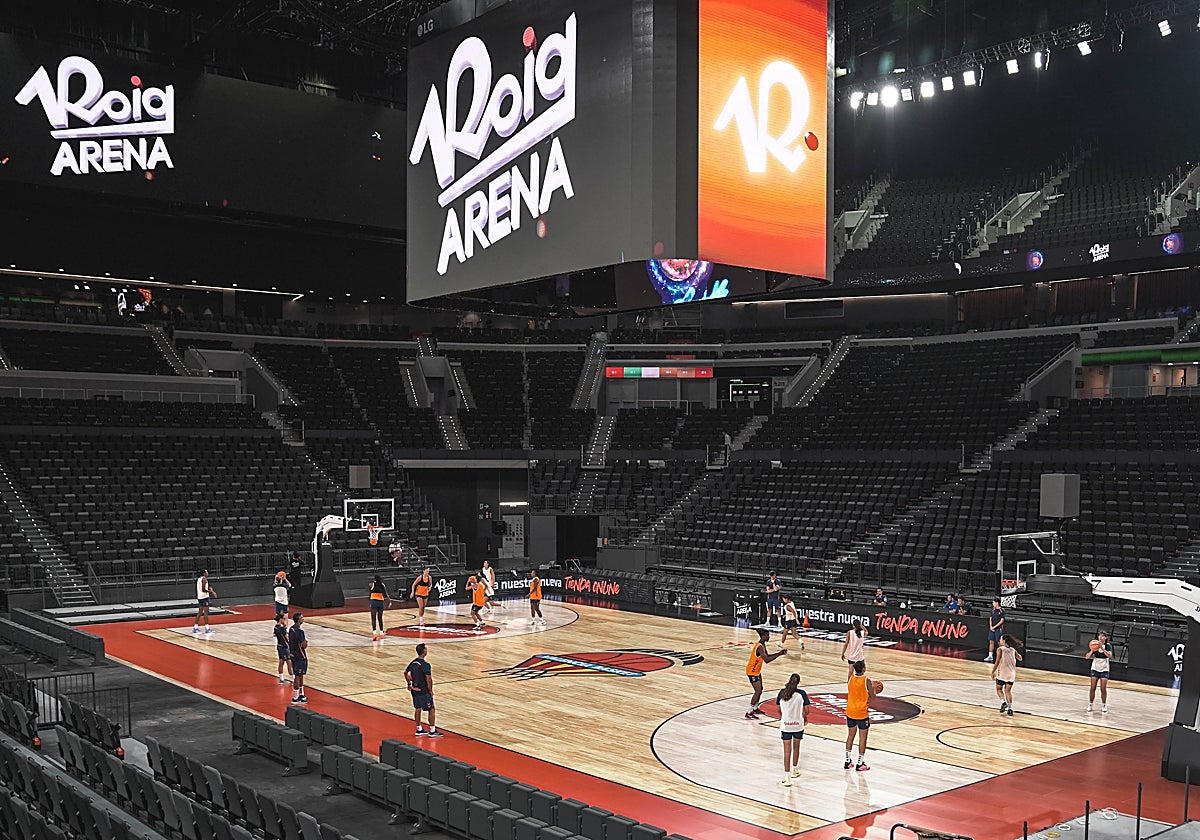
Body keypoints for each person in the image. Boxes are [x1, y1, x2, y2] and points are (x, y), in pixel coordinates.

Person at [776, 673, 811, 786]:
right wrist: (804, 718)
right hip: (798, 725)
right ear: (798, 682)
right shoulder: (802, 694)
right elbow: (807, 710)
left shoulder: (782, 693)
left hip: (786, 725)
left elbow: (778, 709)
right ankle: (794, 770)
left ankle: (786, 777)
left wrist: (784, 716)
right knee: (796, 748)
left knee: (787, 752)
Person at [745, 628, 788, 719]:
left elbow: (767, 656)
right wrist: (779, 654)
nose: (769, 637)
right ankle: (749, 712)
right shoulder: (760, 647)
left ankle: (755, 708)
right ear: (763, 636)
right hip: (752, 671)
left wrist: (779, 653)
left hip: (756, 671)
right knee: (757, 691)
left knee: (760, 689)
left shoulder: (762, 645)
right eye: (767, 635)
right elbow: (767, 660)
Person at [844, 660, 877, 771]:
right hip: (861, 713)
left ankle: (847, 761)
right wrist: (874, 688)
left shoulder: (850, 678)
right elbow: (873, 697)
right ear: (863, 669)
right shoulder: (867, 680)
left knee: (850, 736)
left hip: (850, 711)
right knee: (862, 738)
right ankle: (860, 763)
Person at [405, 643, 442, 737]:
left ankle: (419, 729)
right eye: (426, 649)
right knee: (431, 709)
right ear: (424, 651)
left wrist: (409, 683)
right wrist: (430, 690)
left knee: (418, 708)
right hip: (423, 690)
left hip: (414, 690)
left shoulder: (413, 662)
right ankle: (432, 730)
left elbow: (406, 672)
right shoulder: (425, 665)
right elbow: (428, 679)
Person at [992, 634, 1023, 716]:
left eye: (1001, 639)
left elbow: (997, 661)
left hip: (1002, 673)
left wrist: (993, 671)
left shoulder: (1000, 649)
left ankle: (1003, 702)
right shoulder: (1013, 650)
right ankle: (1010, 709)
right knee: (1008, 691)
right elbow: (1020, 658)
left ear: (1004, 641)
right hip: (1011, 674)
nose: (999, 641)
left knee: (998, 689)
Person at [1086, 630, 1113, 713]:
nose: (1101, 637)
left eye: (1103, 636)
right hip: (1095, 667)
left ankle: (1104, 704)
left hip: (1104, 668)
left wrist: (1102, 648)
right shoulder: (1094, 645)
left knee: (1103, 688)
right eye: (1100, 636)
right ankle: (1090, 704)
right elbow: (1087, 657)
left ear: (1105, 638)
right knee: (1092, 687)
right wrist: (1092, 650)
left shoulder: (1108, 646)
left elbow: (1110, 656)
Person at [288, 612, 309, 704]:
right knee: (298, 676)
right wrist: (306, 642)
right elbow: (304, 645)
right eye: (302, 618)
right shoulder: (300, 632)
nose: (303, 619)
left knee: (299, 675)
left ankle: (301, 694)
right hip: (300, 656)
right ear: (298, 620)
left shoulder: (291, 629)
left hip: (293, 655)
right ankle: (295, 697)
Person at [193, 570, 215, 635]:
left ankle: (195, 627)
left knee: (199, 613)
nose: (207, 573)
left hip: (200, 597)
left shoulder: (199, 579)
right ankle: (207, 628)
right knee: (206, 613)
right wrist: (211, 591)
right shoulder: (204, 579)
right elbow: (203, 589)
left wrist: (209, 589)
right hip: (204, 598)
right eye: (206, 572)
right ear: (204, 573)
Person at [368, 575, 391, 641]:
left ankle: (374, 633)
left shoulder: (371, 584)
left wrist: (370, 601)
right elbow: (386, 595)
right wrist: (389, 601)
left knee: (373, 618)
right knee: (380, 618)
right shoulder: (382, 585)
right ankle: (381, 633)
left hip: (373, 601)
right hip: (380, 601)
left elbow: (369, 594)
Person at [273, 613, 292, 685]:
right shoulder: (282, 629)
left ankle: (281, 679)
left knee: (281, 662)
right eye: (284, 619)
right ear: (280, 619)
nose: (285, 620)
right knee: (289, 662)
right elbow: (287, 637)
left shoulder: (275, 627)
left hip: (279, 646)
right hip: (284, 647)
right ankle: (293, 678)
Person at [985, 597, 1005, 663]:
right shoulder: (993, 610)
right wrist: (991, 626)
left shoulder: (1002, 610)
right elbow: (990, 618)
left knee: (999, 642)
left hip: (998, 628)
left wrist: (995, 627)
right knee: (991, 641)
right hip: (992, 628)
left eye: (993, 602)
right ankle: (990, 656)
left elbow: (1002, 621)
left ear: (997, 603)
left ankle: (1003, 656)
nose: (992, 603)